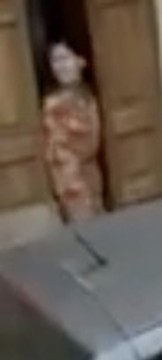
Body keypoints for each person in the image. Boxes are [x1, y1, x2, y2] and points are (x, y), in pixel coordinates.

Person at [41, 41, 105, 223]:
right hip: (66, 180)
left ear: (80, 61)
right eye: (55, 61)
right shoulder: (52, 103)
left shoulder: (87, 98)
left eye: (64, 59)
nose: (60, 66)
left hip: (87, 177)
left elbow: (92, 140)